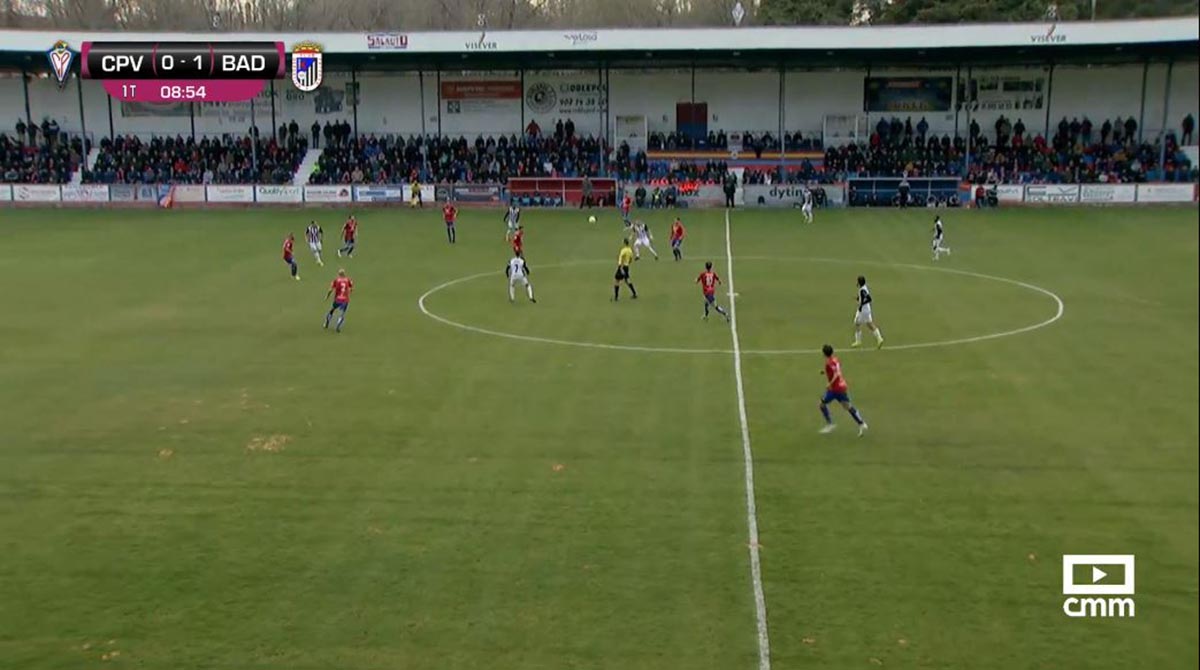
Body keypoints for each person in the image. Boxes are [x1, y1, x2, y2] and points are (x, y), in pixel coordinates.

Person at [818, 344, 868, 436]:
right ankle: (861, 423)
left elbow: (836, 374)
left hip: (835, 389)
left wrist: (830, 383)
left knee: (822, 404)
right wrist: (824, 372)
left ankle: (830, 424)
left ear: (824, 354)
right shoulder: (835, 360)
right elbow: (837, 370)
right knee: (847, 406)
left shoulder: (828, 363)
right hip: (841, 386)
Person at [852, 275, 884, 349]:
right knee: (869, 324)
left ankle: (858, 341)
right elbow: (864, 297)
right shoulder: (863, 288)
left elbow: (869, 299)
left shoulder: (862, 290)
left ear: (859, 282)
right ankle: (879, 338)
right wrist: (858, 298)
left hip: (863, 310)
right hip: (866, 309)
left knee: (857, 323)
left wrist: (861, 303)